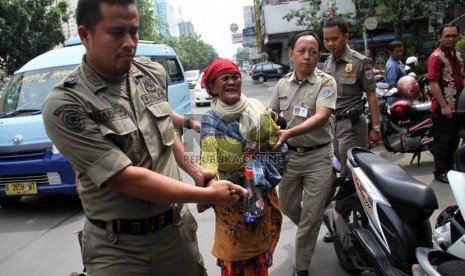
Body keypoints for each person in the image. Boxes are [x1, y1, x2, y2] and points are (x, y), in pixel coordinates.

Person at [42, 1, 247, 275]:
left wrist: (196, 171)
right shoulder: (66, 104)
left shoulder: (151, 74)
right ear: (84, 35)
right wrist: (206, 194)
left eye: (134, 32)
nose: (129, 43)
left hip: (175, 234)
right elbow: (125, 177)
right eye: (117, 32)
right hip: (118, 250)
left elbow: (165, 131)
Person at [199, 58, 284, 276]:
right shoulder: (211, 119)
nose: (231, 82)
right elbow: (209, 158)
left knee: (260, 257)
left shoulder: (255, 108)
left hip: (259, 193)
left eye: (235, 77)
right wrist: (210, 184)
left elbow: (277, 136)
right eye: (224, 78)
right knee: (234, 259)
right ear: (212, 88)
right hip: (232, 198)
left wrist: (261, 145)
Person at [268, 31, 337, 276]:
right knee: (287, 206)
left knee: (309, 216)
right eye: (301, 51)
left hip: (318, 157)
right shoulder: (282, 84)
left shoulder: (326, 82)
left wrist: (288, 133)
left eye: (312, 52)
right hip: (289, 159)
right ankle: (319, 220)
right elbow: (270, 114)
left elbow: (321, 117)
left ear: (319, 56)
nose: (306, 57)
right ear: (291, 55)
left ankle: (302, 268)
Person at [322, 16, 381, 243]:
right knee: (338, 175)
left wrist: (376, 127)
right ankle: (342, 225)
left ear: (346, 37)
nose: (330, 43)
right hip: (333, 127)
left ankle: (355, 227)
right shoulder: (326, 64)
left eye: (334, 39)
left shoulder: (360, 62)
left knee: (351, 177)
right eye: (326, 39)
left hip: (352, 126)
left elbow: (372, 95)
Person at [427, 23, 465, 184]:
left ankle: (450, 170)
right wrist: (444, 105)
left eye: (454, 35)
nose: (451, 38)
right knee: (443, 142)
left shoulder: (458, 55)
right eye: (447, 36)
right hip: (444, 108)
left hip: (459, 107)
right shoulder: (436, 57)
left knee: (454, 140)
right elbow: (433, 82)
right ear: (440, 38)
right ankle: (441, 171)